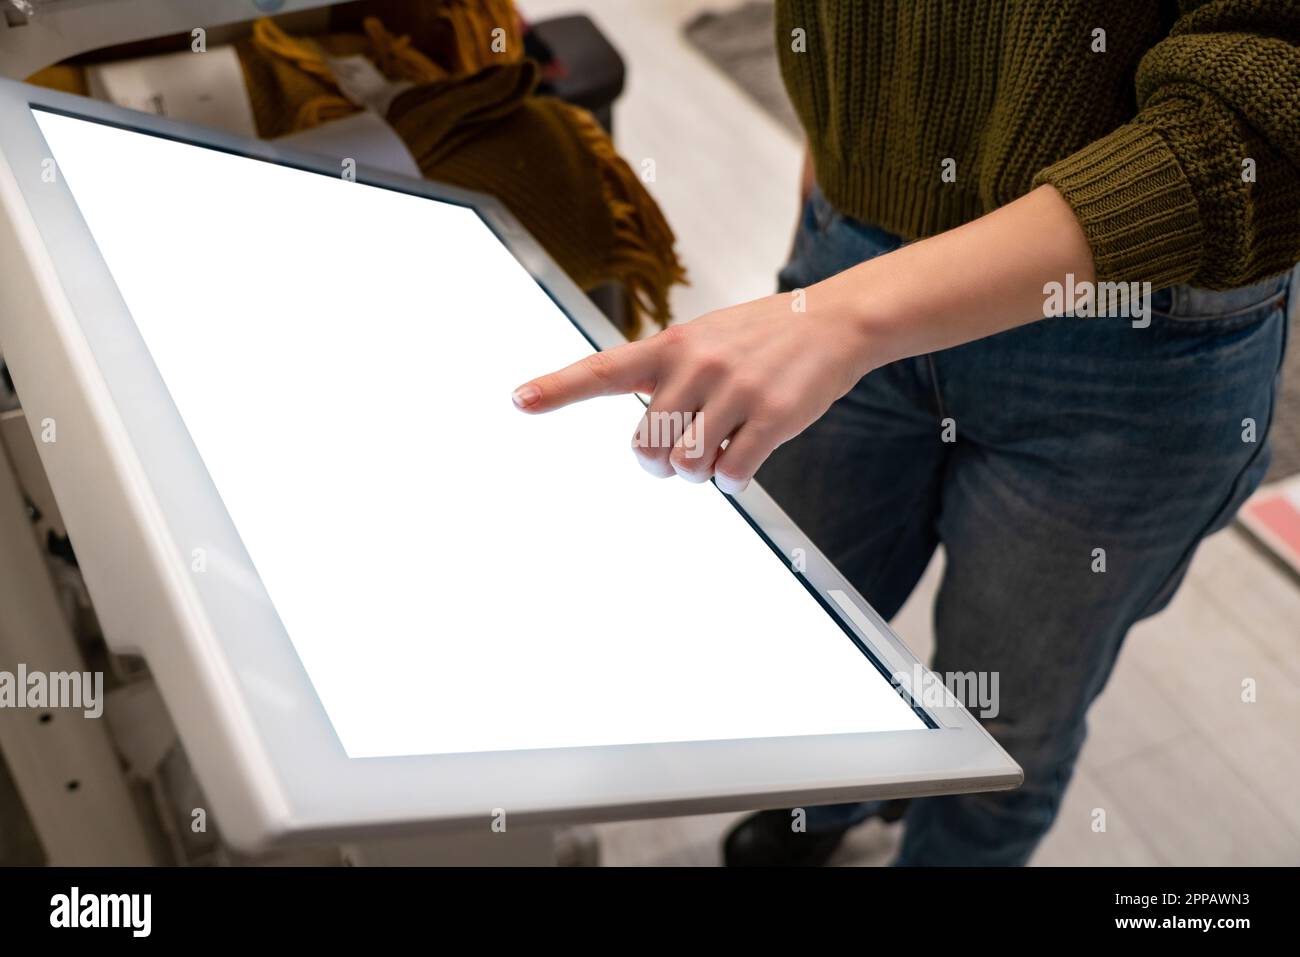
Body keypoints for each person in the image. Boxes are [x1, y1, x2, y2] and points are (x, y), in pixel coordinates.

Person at [511, 1, 1300, 865]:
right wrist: (831, 205)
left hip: (1137, 328)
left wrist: (847, 315)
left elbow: (1265, 112)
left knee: (1006, 721)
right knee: (808, 631)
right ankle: (834, 801)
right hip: (854, 242)